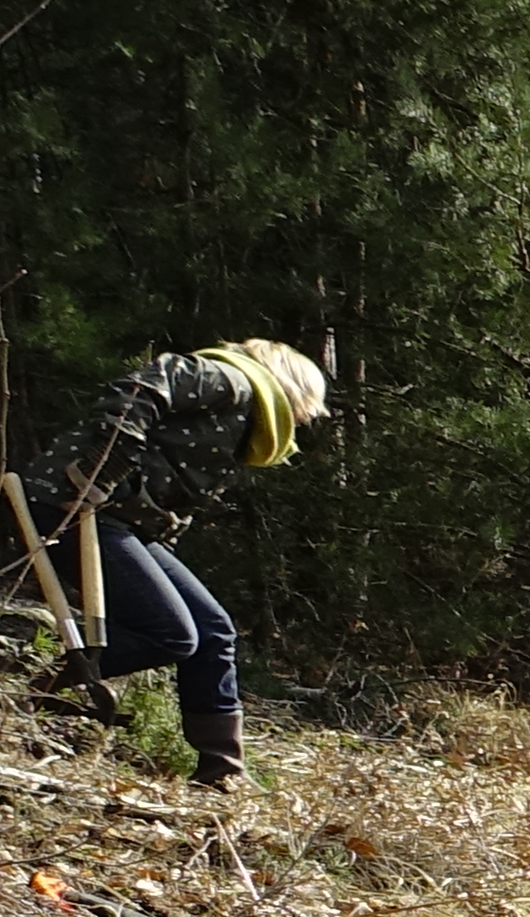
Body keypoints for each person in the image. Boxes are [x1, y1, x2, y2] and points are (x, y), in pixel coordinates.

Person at [26, 339, 330, 793]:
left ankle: (222, 773)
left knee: (213, 630)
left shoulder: (245, 415)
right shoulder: (230, 380)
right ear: (295, 387)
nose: (304, 419)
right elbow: (142, 388)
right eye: (308, 407)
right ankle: (27, 684)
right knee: (171, 633)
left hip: (121, 520)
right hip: (71, 506)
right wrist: (98, 471)